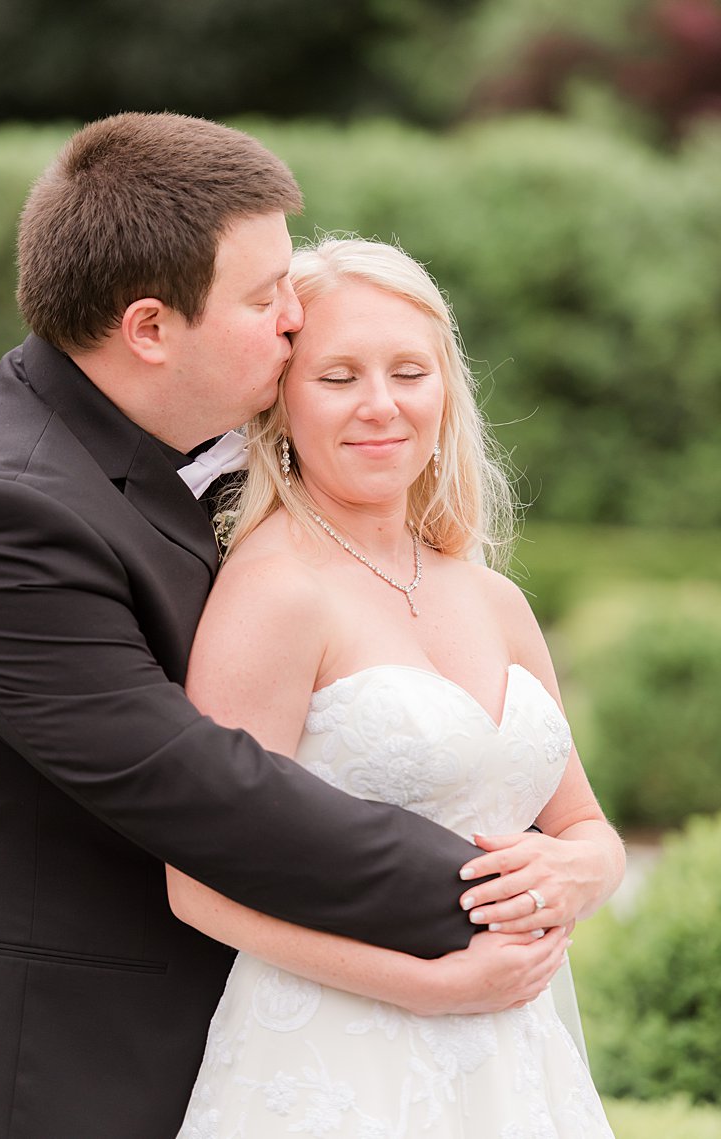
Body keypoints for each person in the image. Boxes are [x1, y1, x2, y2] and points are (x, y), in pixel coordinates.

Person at [0, 113, 508, 1137]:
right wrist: (494, 882)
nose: (295, 322)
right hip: (81, 1055)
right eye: (266, 299)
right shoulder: (12, 506)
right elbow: (196, 785)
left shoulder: (164, 438)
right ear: (149, 329)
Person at [168, 237, 623, 1135]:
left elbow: (587, 826)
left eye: (408, 371)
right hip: (338, 1060)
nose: (381, 405)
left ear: (445, 388)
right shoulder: (274, 592)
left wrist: (582, 872)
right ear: (280, 400)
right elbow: (197, 882)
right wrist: (430, 986)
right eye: (338, 377)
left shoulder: (493, 596)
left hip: (516, 1060)